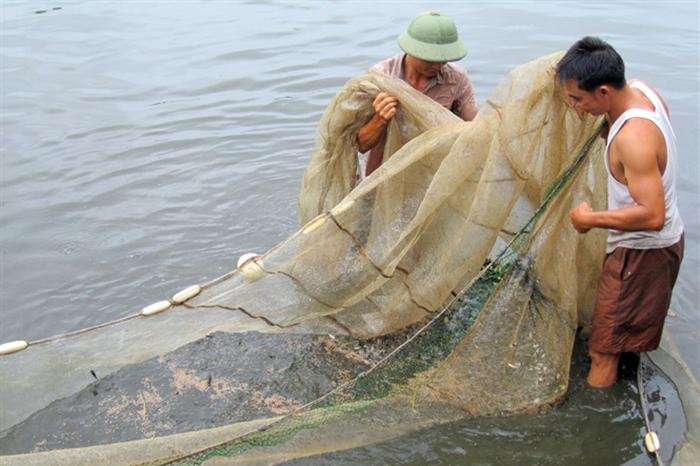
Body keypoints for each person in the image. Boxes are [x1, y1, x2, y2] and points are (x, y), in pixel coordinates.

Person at [557, 37, 684, 388]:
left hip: (641, 253)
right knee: (624, 337)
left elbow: (652, 214)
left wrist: (590, 219)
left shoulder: (632, 138)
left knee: (603, 350)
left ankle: (595, 432)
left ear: (603, 92)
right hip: (665, 244)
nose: (574, 106)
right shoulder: (643, 91)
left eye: (577, 98)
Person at [357, 11, 478, 177]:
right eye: (430, 58)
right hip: (382, 177)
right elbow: (361, 145)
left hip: (430, 177)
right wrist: (380, 118)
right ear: (413, 50)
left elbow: (475, 134)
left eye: (443, 58)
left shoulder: (457, 79)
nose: (438, 64)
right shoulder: (380, 78)